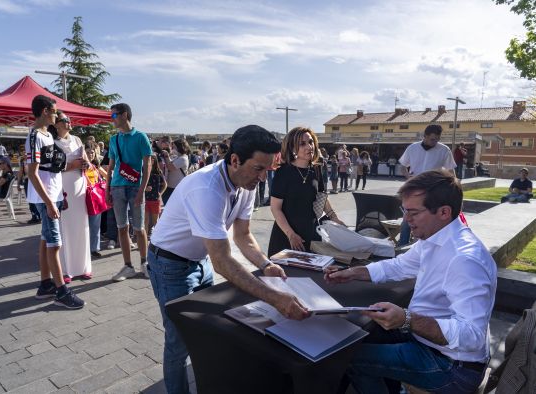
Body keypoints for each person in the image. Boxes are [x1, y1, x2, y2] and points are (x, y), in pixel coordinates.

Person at [148, 125, 310, 394]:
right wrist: (274, 298)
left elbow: (243, 236)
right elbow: (223, 261)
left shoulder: (246, 183)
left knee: (207, 331)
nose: (262, 178)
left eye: (267, 171)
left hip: (200, 259)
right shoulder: (206, 188)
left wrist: (265, 265)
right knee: (179, 342)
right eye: (258, 169)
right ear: (234, 160)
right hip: (170, 265)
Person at [326, 170, 497, 394]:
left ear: (444, 212)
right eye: (404, 211)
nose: (406, 220)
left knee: (348, 358)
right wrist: (352, 272)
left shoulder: (464, 260)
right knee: (362, 336)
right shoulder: (435, 236)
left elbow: (471, 337)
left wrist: (407, 319)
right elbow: (399, 266)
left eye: (413, 212)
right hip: (431, 344)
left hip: (452, 367)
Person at [26, 95, 84, 309]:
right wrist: (49, 202)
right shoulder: (35, 137)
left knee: (45, 240)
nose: (57, 115)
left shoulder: (46, 135)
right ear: (44, 111)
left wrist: (59, 197)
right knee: (54, 243)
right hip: (46, 198)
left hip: (54, 195)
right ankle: (61, 291)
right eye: (54, 111)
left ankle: (45, 284)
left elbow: (51, 170)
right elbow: (32, 173)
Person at [268, 127, 345, 256]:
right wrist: (291, 234)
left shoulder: (316, 170)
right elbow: (275, 208)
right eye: (302, 144)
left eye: (310, 142)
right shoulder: (283, 172)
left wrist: (334, 218)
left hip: (311, 233)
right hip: (286, 235)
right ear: (292, 148)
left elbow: (322, 198)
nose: (309, 146)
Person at [105, 103, 153, 282]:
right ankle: (128, 266)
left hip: (135, 187)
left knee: (139, 228)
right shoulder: (113, 139)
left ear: (124, 115)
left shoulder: (141, 137)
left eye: (114, 116)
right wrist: (107, 188)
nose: (112, 119)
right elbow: (110, 167)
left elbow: (147, 165)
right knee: (121, 228)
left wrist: (141, 190)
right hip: (117, 187)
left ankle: (144, 263)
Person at [397, 124, 456, 246]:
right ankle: (402, 245)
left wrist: (454, 187)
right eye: (432, 139)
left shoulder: (444, 150)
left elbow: (451, 171)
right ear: (425, 136)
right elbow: (402, 166)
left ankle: (421, 246)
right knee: (408, 217)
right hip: (413, 189)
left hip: (432, 190)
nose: (435, 142)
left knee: (427, 218)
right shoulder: (413, 148)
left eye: (438, 139)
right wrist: (408, 177)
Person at [52, 111, 92, 283]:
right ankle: (66, 270)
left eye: (69, 120)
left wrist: (86, 163)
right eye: (65, 120)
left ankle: (83, 267)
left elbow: (86, 161)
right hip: (61, 185)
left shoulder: (76, 139)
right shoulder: (51, 141)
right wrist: (71, 165)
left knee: (81, 226)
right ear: (56, 124)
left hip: (79, 185)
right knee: (65, 227)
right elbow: (51, 167)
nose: (69, 122)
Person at [85, 141, 108, 258]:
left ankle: (94, 248)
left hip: (95, 197)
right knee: (84, 224)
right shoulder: (82, 166)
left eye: (92, 152)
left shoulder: (95, 166)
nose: (90, 155)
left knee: (95, 224)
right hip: (83, 197)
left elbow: (108, 176)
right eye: (88, 152)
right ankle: (84, 248)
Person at [144, 154, 167, 239]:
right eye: (150, 159)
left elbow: (165, 184)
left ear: (155, 161)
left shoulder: (158, 171)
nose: (151, 161)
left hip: (155, 199)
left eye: (153, 159)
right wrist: (145, 188)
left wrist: (160, 193)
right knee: (145, 221)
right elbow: (138, 184)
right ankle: (144, 239)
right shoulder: (144, 171)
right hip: (144, 199)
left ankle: (158, 239)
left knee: (156, 221)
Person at [17, 147, 41, 224]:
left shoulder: (34, 160)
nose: (24, 153)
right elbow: (20, 172)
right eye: (23, 152)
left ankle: (39, 215)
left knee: (36, 198)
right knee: (30, 199)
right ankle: (34, 216)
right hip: (27, 181)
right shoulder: (22, 161)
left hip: (34, 180)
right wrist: (18, 183)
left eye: (26, 152)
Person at [162, 138, 189, 205]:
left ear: (180, 147)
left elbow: (170, 167)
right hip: (169, 186)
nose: (172, 148)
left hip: (176, 188)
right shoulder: (176, 157)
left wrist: (166, 156)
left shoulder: (183, 159)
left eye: (174, 147)